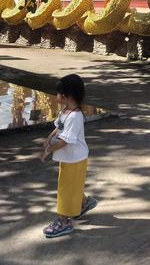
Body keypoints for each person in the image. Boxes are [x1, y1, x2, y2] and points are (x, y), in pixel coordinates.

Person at [40, 74, 97, 238]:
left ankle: (64, 222)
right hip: (70, 159)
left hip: (74, 159)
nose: (56, 95)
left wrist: (49, 150)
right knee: (72, 185)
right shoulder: (66, 111)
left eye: (58, 93)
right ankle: (84, 202)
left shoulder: (75, 117)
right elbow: (58, 127)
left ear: (67, 96)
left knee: (65, 189)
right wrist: (48, 139)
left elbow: (64, 141)